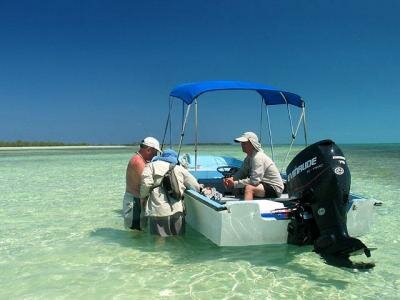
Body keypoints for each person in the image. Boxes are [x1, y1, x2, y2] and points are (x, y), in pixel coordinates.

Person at [140, 149, 201, 237]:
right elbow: (195, 186)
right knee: (178, 238)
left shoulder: (151, 166)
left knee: (159, 239)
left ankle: (158, 251)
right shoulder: (180, 168)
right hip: (177, 209)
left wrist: (143, 197)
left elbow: (146, 184)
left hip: (158, 209)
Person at [223, 131, 284, 200]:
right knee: (238, 187)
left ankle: (247, 210)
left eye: (244, 143)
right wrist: (232, 179)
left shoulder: (258, 157)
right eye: (241, 143)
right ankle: (239, 204)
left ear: (252, 143)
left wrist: (234, 184)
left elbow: (254, 181)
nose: (242, 145)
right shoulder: (249, 157)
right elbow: (242, 172)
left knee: (249, 188)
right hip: (262, 183)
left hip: (274, 187)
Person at [123, 137, 161, 230]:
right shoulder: (138, 162)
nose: (155, 155)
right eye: (155, 152)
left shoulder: (139, 159)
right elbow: (145, 183)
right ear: (148, 150)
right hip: (135, 202)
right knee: (136, 232)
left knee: (139, 230)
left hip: (136, 201)